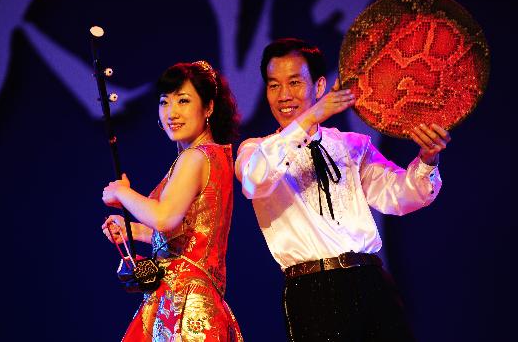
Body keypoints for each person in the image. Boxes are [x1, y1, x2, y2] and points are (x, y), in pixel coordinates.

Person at [235, 38, 451, 341]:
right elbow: (254, 180)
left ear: (319, 86)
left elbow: (400, 196)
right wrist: (310, 117)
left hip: (371, 280)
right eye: (273, 85)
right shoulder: (256, 150)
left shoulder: (351, 145)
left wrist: (427, 159)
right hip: (312, 291)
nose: (284, 95)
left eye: (295, 82)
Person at [101, 61, 243, 341]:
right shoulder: (215, 156)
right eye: (165, 102)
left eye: (183, 100)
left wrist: (122, 193)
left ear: (209, 108)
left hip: (185, 307)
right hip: (198, 301)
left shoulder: (195, 157)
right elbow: (188, 232)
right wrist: (134, 232)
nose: (171, 112)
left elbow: (165, 217)